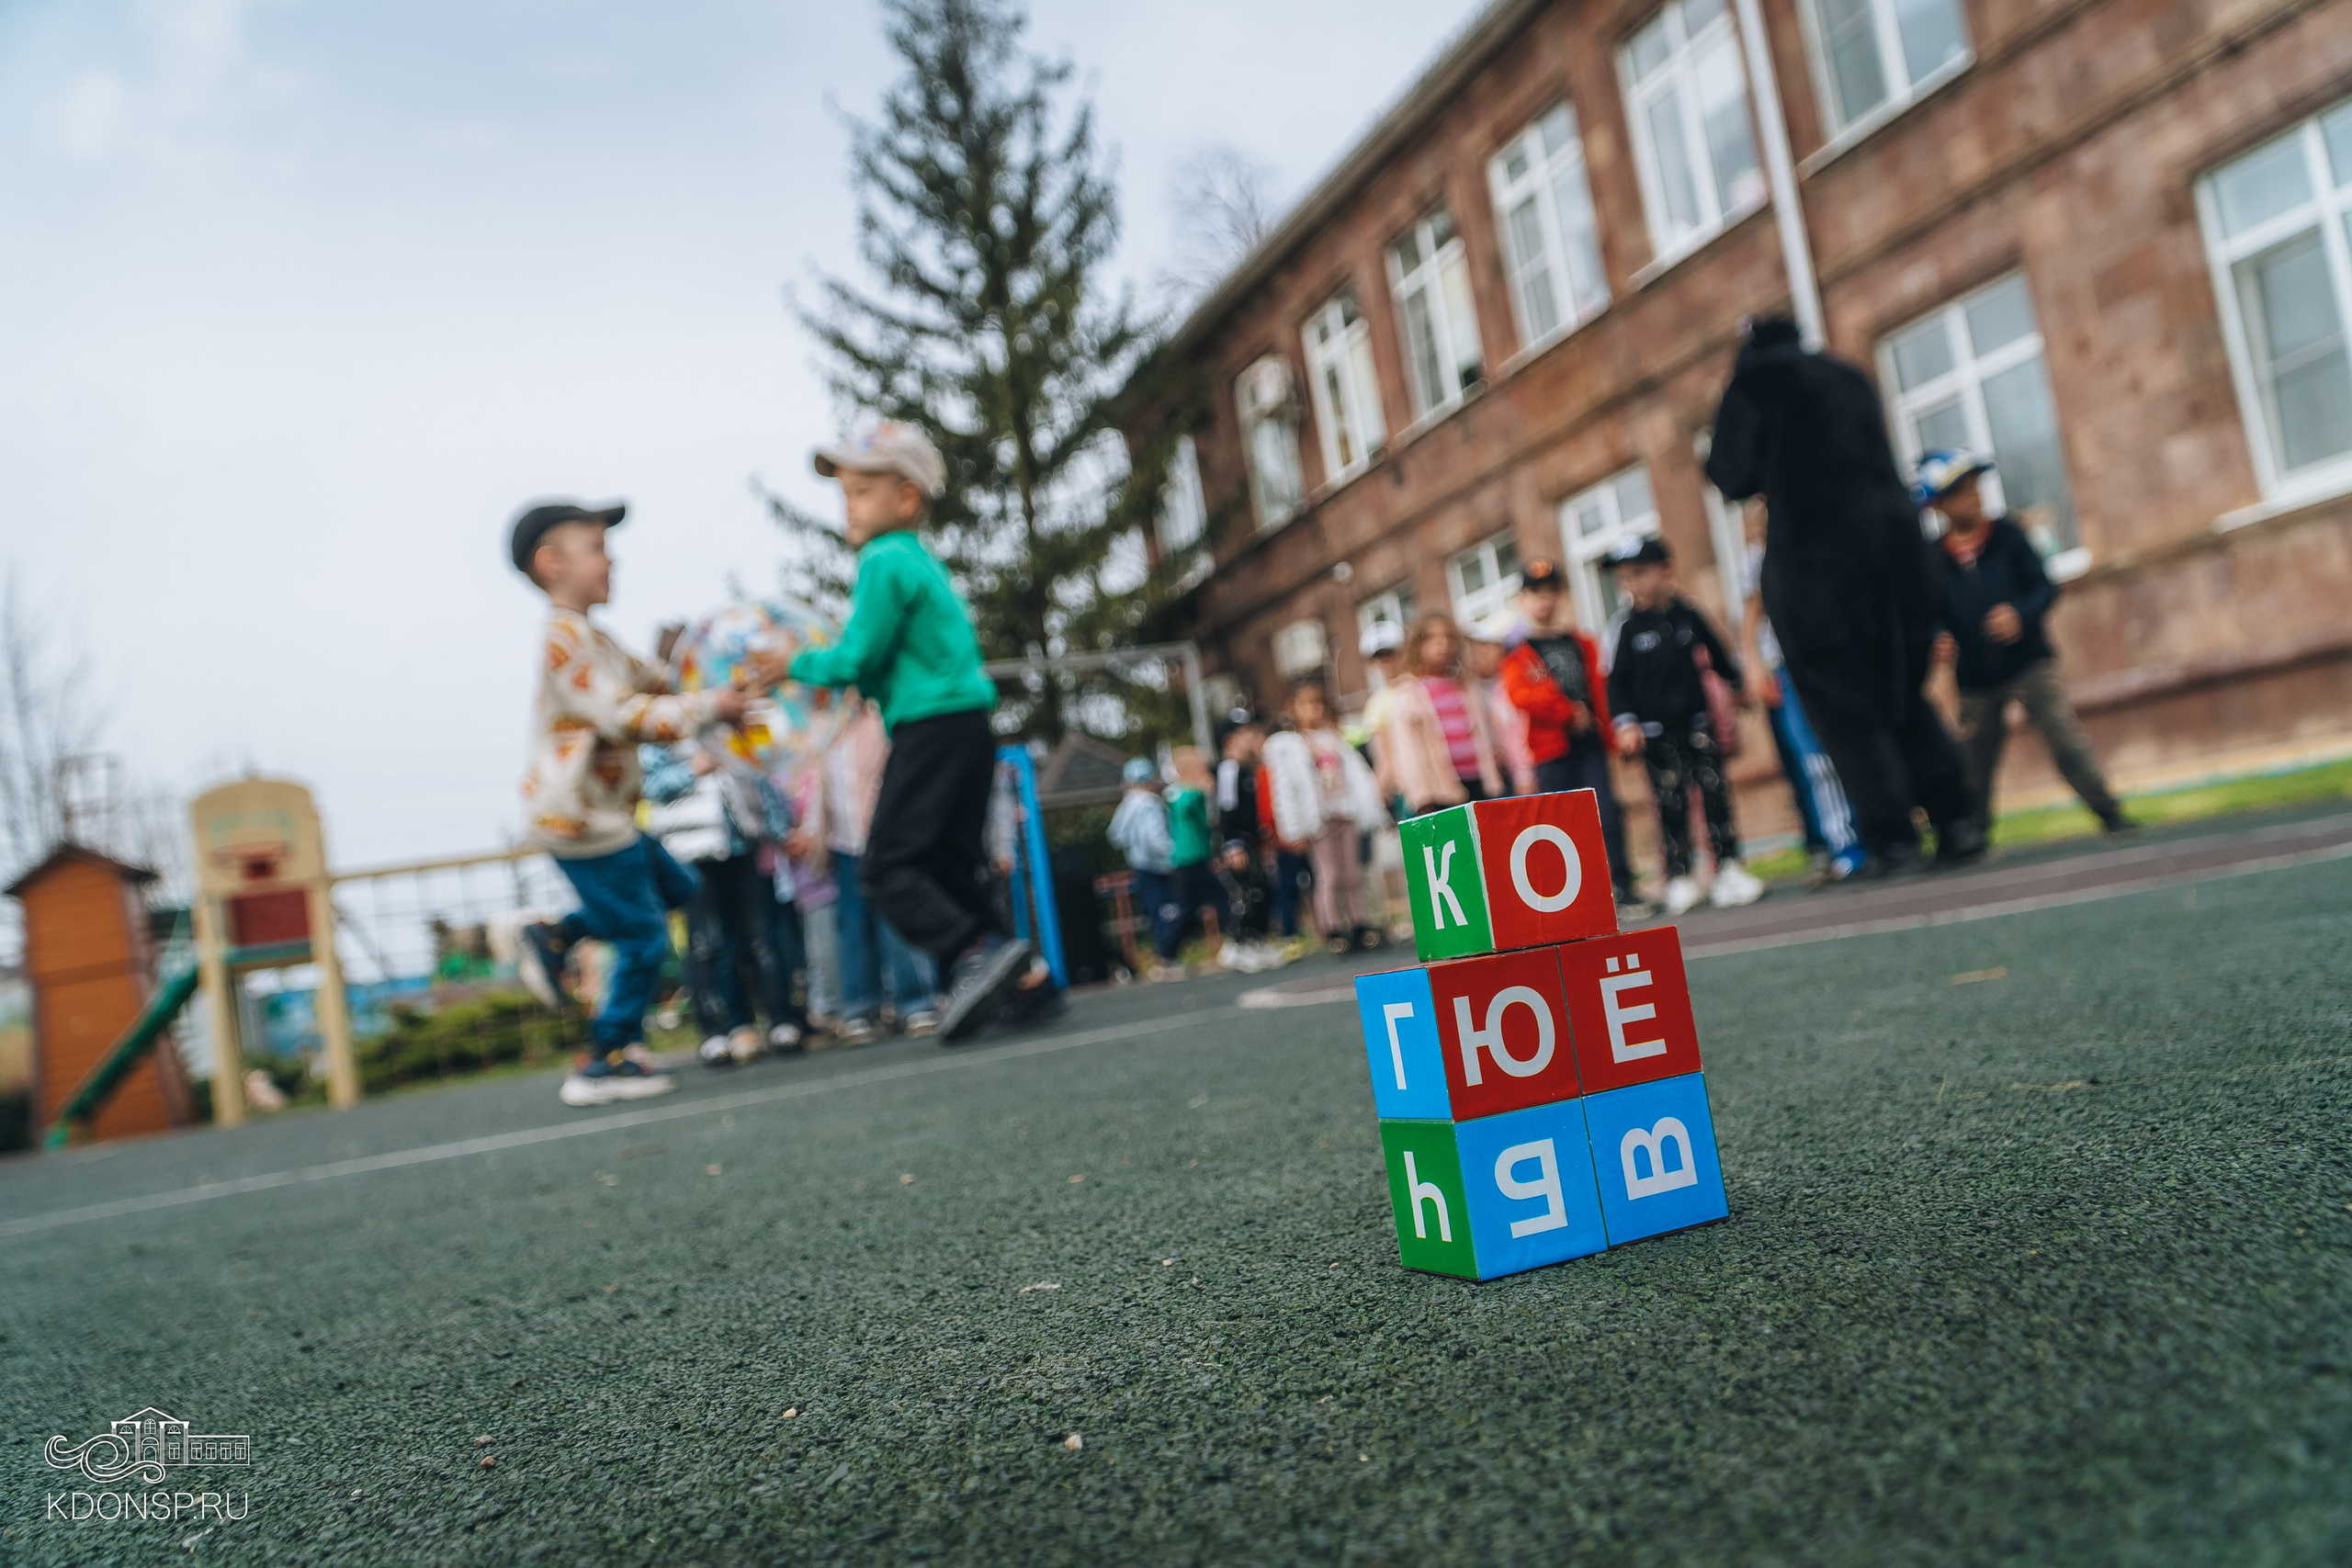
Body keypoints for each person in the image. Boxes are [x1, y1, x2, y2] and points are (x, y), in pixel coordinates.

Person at [757, 423, 1030, 1041]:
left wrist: (791, 664)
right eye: (845, 492)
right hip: (966, 725)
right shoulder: (917, 561)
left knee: (886, 866)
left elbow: (856, 659)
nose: (847, 505)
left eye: (861, 491)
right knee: (951, 863)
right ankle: (1028, 981)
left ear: (906, 499)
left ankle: (972, 953)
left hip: (929, 726)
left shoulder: (882, 559)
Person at [1704, 317, 1982, 874]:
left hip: (1816, 561)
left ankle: (1892, 838)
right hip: (1894, 548)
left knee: (1845, 707)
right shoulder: (1847, 375)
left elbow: (1730, 475)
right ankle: (1957, 818)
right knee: (1903, 691)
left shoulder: (1753, 383)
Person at [509, 499, 747, 1107]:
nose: (611, 559)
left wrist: (716, 681)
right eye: (595, 547)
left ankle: (557, 933)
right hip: (581, 820)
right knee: (645, 938)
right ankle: (603, 1057)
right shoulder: (564, 642)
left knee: (679, 888)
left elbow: (656, 679)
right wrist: (706, 710)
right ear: (551, 564)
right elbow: (626, 714)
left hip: (607, 819)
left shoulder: (596, 638)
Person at [1917, 450, 2132, 836]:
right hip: (1974, 677)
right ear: (1940, 506)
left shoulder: (2008, 535)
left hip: (2029, 664)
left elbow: (2044, 587)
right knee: (1974, 761)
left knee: (2063, 738)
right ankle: (1974, 831)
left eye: (1976, 489)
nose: (1974, 498)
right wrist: (1937, 637)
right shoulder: (1933, 558)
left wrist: (2020, 613)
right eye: (1962, 493)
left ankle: (2109, 811)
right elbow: (1928, 611)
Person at [1601, 537, 1767, 916]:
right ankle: (1679, 875)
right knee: (1669, 802)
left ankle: (1727, 867)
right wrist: (1624, 723)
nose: (1634, 585)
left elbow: (1719, 653)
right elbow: (1615, 683)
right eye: (1626, 579)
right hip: (1654, 734)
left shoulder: (1687, 614)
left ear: (1666, 569)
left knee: (1714, 792)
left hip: (1696, 723)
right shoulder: (1624, 628)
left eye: (1641, 574)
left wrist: (1738, 685)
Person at [641, 739, 806, 1066]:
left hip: (740, 846)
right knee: (706, 945)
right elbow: (649, 786)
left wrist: (778, 828)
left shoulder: (720, 729)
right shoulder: (657, 736)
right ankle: (719, 1030)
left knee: (761, 938)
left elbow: (756, 776)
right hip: (692, 852)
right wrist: (692, 769)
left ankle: (780, 1020)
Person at [1499, 558, 1646, 914]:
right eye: (1535, 593)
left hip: (1590, 746)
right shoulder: (1519, 653)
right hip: (1551, 751)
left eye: (1551, 592)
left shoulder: (1582, 642)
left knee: (1606, 812)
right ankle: (1573, 898)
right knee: (1560, 824)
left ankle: (1622, 886)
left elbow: (1602, 689)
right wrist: (1567, 712)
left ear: (1561, 595)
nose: (1544, 601)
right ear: (1523, 599)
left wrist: (1610, 730)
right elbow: (1521, 696)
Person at [797, 694, 940, 1043]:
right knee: (851, 925)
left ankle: (916, 1002)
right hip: (844, 844)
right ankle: (860, 1007)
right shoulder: (820, 728)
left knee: (894, 920)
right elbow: (818, 791)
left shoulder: (878, 720)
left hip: (884, 836)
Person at [1739, 500, 1865, 884]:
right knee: (1815, 760)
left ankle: (1876, 831)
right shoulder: (1759, 559)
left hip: (1831, 659)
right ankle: (1844, 845)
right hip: (1790, 670)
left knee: (1854, 747)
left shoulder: (1817, 543)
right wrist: (1754, 666)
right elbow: (1750, 618)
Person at [1262, 678, 1390, 953]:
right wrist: (1293, 827)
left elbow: (1355, 775)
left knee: (1351, 872)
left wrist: (1366, 805)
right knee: (1328, 875)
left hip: (1345, 812)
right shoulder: (1292, 745)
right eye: (1307, 704)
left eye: (1318, 703)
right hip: (1319, 819)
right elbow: (1285, 788)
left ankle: (1359, 923)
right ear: (1293, 708)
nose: (1314, 710)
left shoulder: (1335, 738)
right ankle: (1332, 927)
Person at [1378, 613, 1504, 818]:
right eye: (1432, 638)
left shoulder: (1465, 686)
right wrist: (1422, 797)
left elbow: (1483, 732)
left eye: (1447, 637)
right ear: (1417, 646)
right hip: (1440, 791)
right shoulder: (1407, 693)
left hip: (1478, 780)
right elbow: (1408, 751)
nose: (1442, 644)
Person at [1107, 755, 1185, 982]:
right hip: (1159, 867)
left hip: (1140, 866)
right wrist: (1174, 854)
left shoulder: (1127, 804)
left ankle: (1163, 956)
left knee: (1155, 912)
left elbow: (1115, 836)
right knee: (1169, 911)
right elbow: (1155, 837)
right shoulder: (1149, 802)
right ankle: (1167, 958)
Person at [1167, 745, 1238, 966]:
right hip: (1190, 858)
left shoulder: (1185, 793)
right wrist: (1202, 790)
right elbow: (1186, 807)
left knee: (1191, 909)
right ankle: (1239, 938)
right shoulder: (1182, 793)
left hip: (1196, 857)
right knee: (1221, 898)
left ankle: (1168, 953)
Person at [1465, 617, 1537, 795]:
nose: (1477, 655)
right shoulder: (1478, 688)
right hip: (1503, 775)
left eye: (1485, 647)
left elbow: (1519, 736)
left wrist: (1524, 776)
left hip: (1526, 777)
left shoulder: (1510, 687)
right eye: (1475, 648)